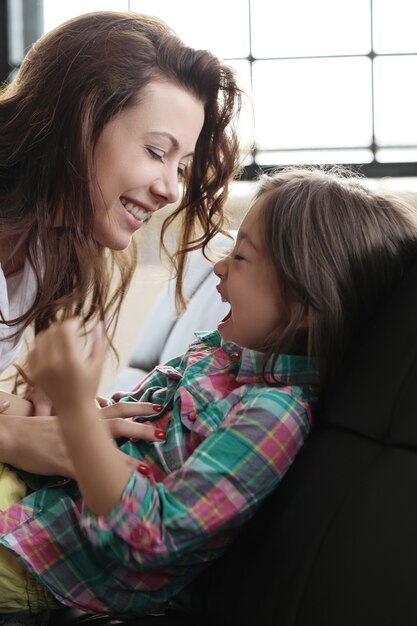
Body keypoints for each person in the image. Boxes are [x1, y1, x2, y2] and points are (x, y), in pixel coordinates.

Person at [1, 167, 416, 623]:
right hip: (28, 498)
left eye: (240, 258)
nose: (218, 267)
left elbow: (150, 537)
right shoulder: (217, 354)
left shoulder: (273, 414)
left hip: (38, 563)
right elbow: (131, 428)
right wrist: (57, 409)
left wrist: (78, 412)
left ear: (303, 306)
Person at [0, 10, 241, 463]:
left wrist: (41, 415)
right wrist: (18, 436)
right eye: (156, 151)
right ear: (79, 120)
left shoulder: (44, 251)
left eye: (182, 167)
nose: (171, 189)